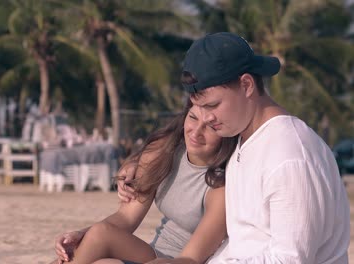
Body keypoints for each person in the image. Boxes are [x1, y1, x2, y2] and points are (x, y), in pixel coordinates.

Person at [120, 32, 350, 263]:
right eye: (198, 107)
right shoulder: (245, 137)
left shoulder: (289, 157)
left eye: (212, 105)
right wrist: (135, 165)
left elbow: (289, 259)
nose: (206, 118)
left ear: (247, 84)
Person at [51, 98, 238, 264]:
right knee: (99, 236)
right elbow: (125, 218)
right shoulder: (163, 151)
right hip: (151, 253)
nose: (196, 132)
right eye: (193, 117)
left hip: (179, 262)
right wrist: (80, 235)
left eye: (210, 126)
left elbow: (190, 259)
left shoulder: (220, 188)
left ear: (226, 133)